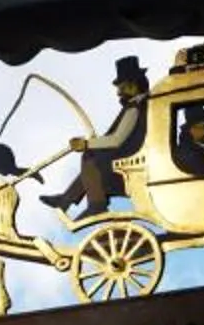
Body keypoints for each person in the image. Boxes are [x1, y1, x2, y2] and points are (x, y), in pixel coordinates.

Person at [45, 61, 150, 218]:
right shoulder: (141, 104)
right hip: (135, 153)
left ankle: (96, 205)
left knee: (90, 157)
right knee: (93, 160)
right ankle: (66, 200)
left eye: (122, 88)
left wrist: (86, 144)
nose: (119, 93)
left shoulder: (135, 107)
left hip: (134, 158)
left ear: (133, 84)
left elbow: (116, 140)